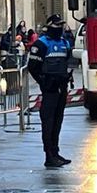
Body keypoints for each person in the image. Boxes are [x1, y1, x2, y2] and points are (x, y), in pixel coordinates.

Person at [28, 15, 74, 167]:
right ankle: (49, 155)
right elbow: (33, 67)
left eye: (61, 25)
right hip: (50, 90)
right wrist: (44, 83)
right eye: (56, 25)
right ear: (49, 26)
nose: (59, 28)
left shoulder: (64, 43)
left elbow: (66, 60)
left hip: (61, 88)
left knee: (57, 122)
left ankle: (55, 152)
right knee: (48, 122)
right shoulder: (41, 44)